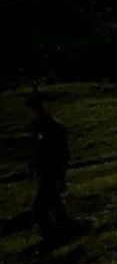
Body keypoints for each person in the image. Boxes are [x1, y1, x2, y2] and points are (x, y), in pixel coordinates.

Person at [26, 93, 71, 242]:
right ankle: (65, 230)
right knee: (54, 204)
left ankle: (52, 236)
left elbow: (56, 151)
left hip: (50, 172)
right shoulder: (45, 125)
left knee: (39, 209)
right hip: (48, 171)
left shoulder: (48, 126)